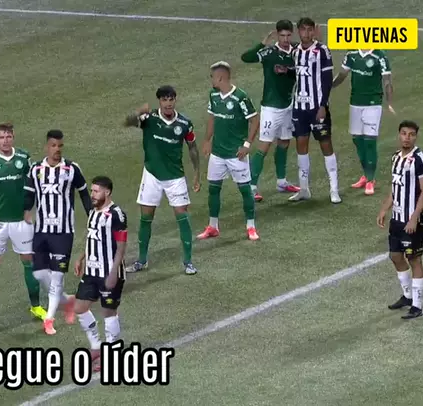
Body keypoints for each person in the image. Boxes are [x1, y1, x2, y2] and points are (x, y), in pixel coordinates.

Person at [0, 123, 44, 326]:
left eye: (8, 137)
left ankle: (36, 306)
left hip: (22, 222)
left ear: (13, 137)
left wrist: (30, 209)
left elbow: (35, 184)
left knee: (29, 261)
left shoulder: (24, 157)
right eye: (2, 137)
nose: (5, 140)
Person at [123, 85, 200, 275]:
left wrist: (197, 173)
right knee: (146, 218)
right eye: (164, 100)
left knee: (183, 218)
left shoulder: (185, 123)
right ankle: (142, 260)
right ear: (159, 101)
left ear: (175, 100)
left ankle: (188, 262)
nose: (168, 103)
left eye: (171, 99)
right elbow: (127, 122)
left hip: (175, 178)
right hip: (152, 175)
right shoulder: (149, 119)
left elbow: (192, 147)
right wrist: (138, 112)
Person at [24, 130, 92, 335]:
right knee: (39, 274)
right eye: (54, 145)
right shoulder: (35, 169)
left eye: (60, 146)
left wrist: (92, 217)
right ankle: (67, 301)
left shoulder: (72, 169)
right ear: (47, 146)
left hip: (63, 232)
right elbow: (29, 196)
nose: (57, 149)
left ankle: (49, 318)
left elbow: (84, 194)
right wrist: (25, 213)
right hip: (41, 231)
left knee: (57, 277)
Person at [196, 61, 260, 241]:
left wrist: (247, 145)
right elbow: (212, 118)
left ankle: (251, 227)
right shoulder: (213, 95)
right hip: (217, 153)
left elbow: (255, 120)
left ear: (220, 78)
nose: (211, 80)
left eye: (212, 77)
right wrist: (207, 140)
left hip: (236, 154)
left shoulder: (240, 97)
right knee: (213, 189)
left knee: (245, 190)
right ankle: (213, 226)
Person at [241, 19, 301, 202]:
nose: (285, 39)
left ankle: (281, 182)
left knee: (284, 142)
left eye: (288, 35)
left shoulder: (297, 50)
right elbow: (246, 57)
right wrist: (262, 44)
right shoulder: (269, 53)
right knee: (264, 146)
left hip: (288, 105)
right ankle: (251, 187)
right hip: (271, 108)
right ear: (277, 35)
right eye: (282, 35)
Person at [377, 120, 423, 319]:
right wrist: (385, 209)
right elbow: (395, 187)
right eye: (404, 133)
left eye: (411, 134)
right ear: (399, 135)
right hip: (397, 219)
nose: (407, 138)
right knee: (395, 256)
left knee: (414, 259)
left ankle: (417, 306)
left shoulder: (421, 160)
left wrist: (414, 218)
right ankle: (407, 297)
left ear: (416, 137)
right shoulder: (395, 158)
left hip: (412, 220)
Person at [73, 176, 128, 371]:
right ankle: (96, 346)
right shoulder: (93, 212)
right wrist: (81, 257)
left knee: (108, 312)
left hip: (109, 272)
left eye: (96, 191)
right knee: (79, 307)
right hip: (91, 271)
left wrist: (113, 272)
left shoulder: (117, 214)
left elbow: (121, 246)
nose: (93, 194)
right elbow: (93, 237)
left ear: (107, 192)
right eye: (92, 191)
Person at [289, 17, 341, 204]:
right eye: (303, 29)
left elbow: (326, 80)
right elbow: (297, 74)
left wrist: (323, 105)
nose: (306, 33)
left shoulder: (322, 50)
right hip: (299, 108)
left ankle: (334, 190)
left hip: (317, 108)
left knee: (326, 145)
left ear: (313, 31)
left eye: (309, 29)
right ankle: (304, 189)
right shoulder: (295, 52)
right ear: (298, 31)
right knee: (301, 145)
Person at [333, 49, 395, 195]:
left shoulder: (379, 56)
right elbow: (342, 75)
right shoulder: (351, 54)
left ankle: (370, 180)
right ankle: (366, 175)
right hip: (355, 103)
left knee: (369, 141)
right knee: (357, 140)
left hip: (373, 103)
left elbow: (387, 81)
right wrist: (328, 87)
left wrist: (389, 102)